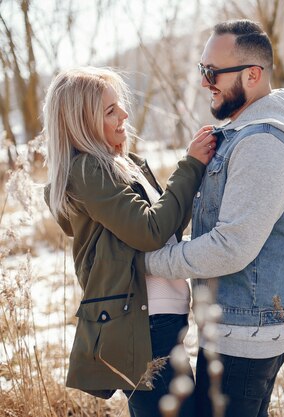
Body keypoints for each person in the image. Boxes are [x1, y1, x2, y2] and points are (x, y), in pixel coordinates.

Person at [144, 20, 284, 417]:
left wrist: (151, 261)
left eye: (212, 73)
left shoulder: (263, 144)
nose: (204, 82)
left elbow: (231, 247)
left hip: (245, 333)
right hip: (240, 323)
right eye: (202, 70)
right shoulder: (247, 132)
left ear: (253, 74)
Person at [43, 67, 216, 417]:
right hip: (142, 326)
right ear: (81, 123)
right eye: (109, 111)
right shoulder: (89, 171)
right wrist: (191, 165)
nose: (124, 114)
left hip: (163, 322)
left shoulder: (127, 164)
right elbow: (149, 232)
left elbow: (167, 226)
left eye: (119, 105)